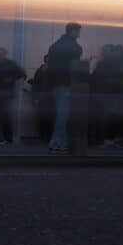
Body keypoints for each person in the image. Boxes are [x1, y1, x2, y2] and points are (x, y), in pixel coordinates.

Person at [43, 23, 84, 152]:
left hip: (55, 83)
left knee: (61, 113)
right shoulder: (75, 47)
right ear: (73, 31)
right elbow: (76, 67)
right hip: (67, 83)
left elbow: (49, 66)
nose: (79, 34)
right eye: (78, 32)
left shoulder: (54, 46)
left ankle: (62, 142)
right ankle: (56, 143)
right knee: (63, 114)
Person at [0, 47, 26, 145]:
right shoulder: (0, 64)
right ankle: (2, 138)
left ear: (5, 54)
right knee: (0, 116)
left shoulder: (8, 64)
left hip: (3, 93)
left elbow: (22, 74)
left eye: (0, 53)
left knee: (1, 116)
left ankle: (2, 138)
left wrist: (10, 79)